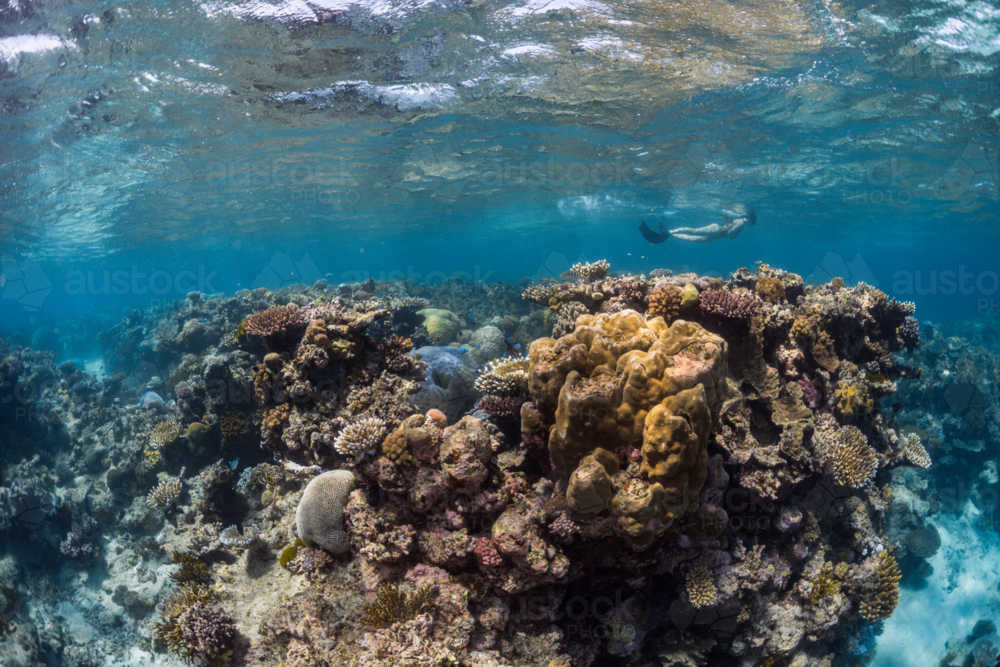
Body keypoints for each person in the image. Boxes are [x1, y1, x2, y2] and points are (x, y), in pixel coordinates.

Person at [639, 209, 756, 244]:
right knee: (694, 233)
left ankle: (670, 233)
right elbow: (731, 234)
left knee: (694, 238)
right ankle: (671, 231)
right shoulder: (741, 223)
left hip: (717, 234)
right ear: (750, 219)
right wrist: (735, 235)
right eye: (752, 223)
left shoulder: (738, 220)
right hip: (716, 231)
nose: (750, 225)